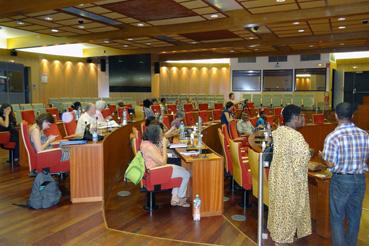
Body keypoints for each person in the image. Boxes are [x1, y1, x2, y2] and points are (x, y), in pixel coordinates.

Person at [320, 102, 369, 246]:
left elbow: (331, 164)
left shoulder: (332, 137)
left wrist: (323, 157)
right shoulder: (365, 134)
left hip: (341, 181)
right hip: (360, 179)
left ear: (336, 116)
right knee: (355, 217)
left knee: (337, 217)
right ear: (352, 116)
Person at [267, 104, 311, 244]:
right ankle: (283, 240)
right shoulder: (296, 137)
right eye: (302, 116)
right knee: (289, 212)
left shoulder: (278, 131)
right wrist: (311, 152)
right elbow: (300, 162)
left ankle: (278, 238)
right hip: (290, 181)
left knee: (279, 210)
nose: (303, 119)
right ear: (296, 118)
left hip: (277, 177)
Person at [140, 124, 190, 207]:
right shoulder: (149, 147)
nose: (161, 135)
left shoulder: (146, 143)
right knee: (186, 174)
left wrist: (161, 145)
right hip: (156, 173)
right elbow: (163, 162)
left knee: (181, 171)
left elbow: (158, 155)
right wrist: (163, 144)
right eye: (160, 134)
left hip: (154, 170)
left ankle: (175, 199)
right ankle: (181, 199)